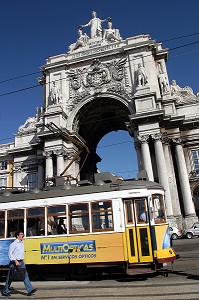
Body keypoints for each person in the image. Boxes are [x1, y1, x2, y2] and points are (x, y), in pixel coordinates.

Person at [1, 231, 37, 297]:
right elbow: (10, 253)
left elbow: (20, 252)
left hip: (21, 261)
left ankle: (30, 290)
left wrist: (22, 259)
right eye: (21, 235)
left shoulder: (22, 243)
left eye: (22, 235)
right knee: (10, 277)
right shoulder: (14, 244)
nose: (22, 236)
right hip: (14, 262)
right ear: (17, 236)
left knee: (25, 275)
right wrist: (15, 261)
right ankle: (5, 291)